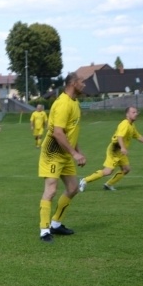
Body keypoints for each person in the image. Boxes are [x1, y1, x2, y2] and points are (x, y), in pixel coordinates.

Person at [38, 72, 87, 243]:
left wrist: (77, 150)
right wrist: (75, 153)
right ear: (73, 83)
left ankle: (56, 224)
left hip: (65, 153)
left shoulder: (75, 102)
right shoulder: (63, 104)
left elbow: (69, 132)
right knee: (51, 190)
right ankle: (44, 230)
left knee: (73, 188)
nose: (85, 85)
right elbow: (58, 132)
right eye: (83, 82)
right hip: (53, 152)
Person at [78, 106, 143, 192]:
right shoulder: (125, 124)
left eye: (136, 112)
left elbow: (138, 136)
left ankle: (108, 184)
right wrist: (123, 148)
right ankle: (84, 180)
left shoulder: (131, 125)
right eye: (133, 112)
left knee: (126, 169)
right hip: (115, 149)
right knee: (108, 171)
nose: (136, 114)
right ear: (127, 114)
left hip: (121, 151)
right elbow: (120, 136)